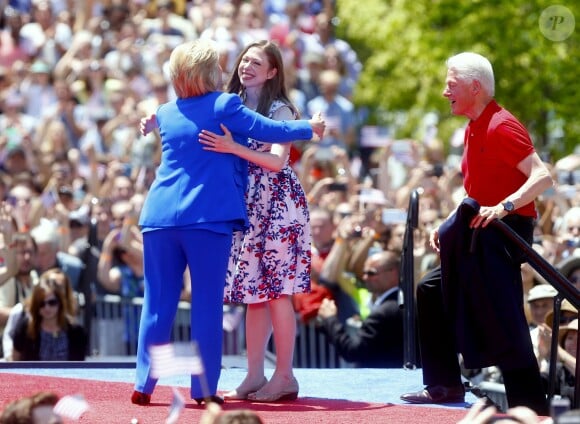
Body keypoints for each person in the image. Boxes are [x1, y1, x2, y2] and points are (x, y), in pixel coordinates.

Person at [131, 39, 325, 406]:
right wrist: (310, 128)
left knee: (157, 304)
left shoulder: (167, 111)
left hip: (157, 218)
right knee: (206, 305)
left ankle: (144, 384)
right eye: (219, 66)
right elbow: (271, 130)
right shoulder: (224, 104)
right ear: (205, 72)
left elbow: (169, 120)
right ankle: (203, 390)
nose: (227, 70)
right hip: (206, 219)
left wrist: (152, 119)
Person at [400, 52, 554, 415]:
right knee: (431, 290)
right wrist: (450, 220)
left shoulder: (501, 124)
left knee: (505, 323)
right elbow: (476, 190)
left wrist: (505, 206)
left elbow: (543, 176)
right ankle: (444, 384)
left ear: (475, 87)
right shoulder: (473, 126)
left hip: (502, 233)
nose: (444, 92)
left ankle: (531, 409)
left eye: (450, 85)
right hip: (478, 232)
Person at [198, 40, 310, 402]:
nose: (246, 66)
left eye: (256, 62)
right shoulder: (232, 103)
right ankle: (254, 374)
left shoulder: (281, 110)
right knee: (254, 295)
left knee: (277, 292)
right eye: (245, 59)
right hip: (248, 204)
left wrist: (234, 147)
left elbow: (278, 161)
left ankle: (285, 376)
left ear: (273, 72)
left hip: (278, 204)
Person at [316, 249, 404, 368]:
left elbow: (352, 351)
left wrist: (330, 319)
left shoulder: (384, 312)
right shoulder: (405, 302)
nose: (365, 277)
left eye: (371, 273)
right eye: (364, 273)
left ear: (393, 273)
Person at [11, 277, 87, 361]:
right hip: (33, 374)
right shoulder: (25, 327)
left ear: (60, 302)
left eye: (52, 302)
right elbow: (15, 361)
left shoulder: (76, 331)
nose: (47, 308)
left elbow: (79, 366)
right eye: (41, 304)